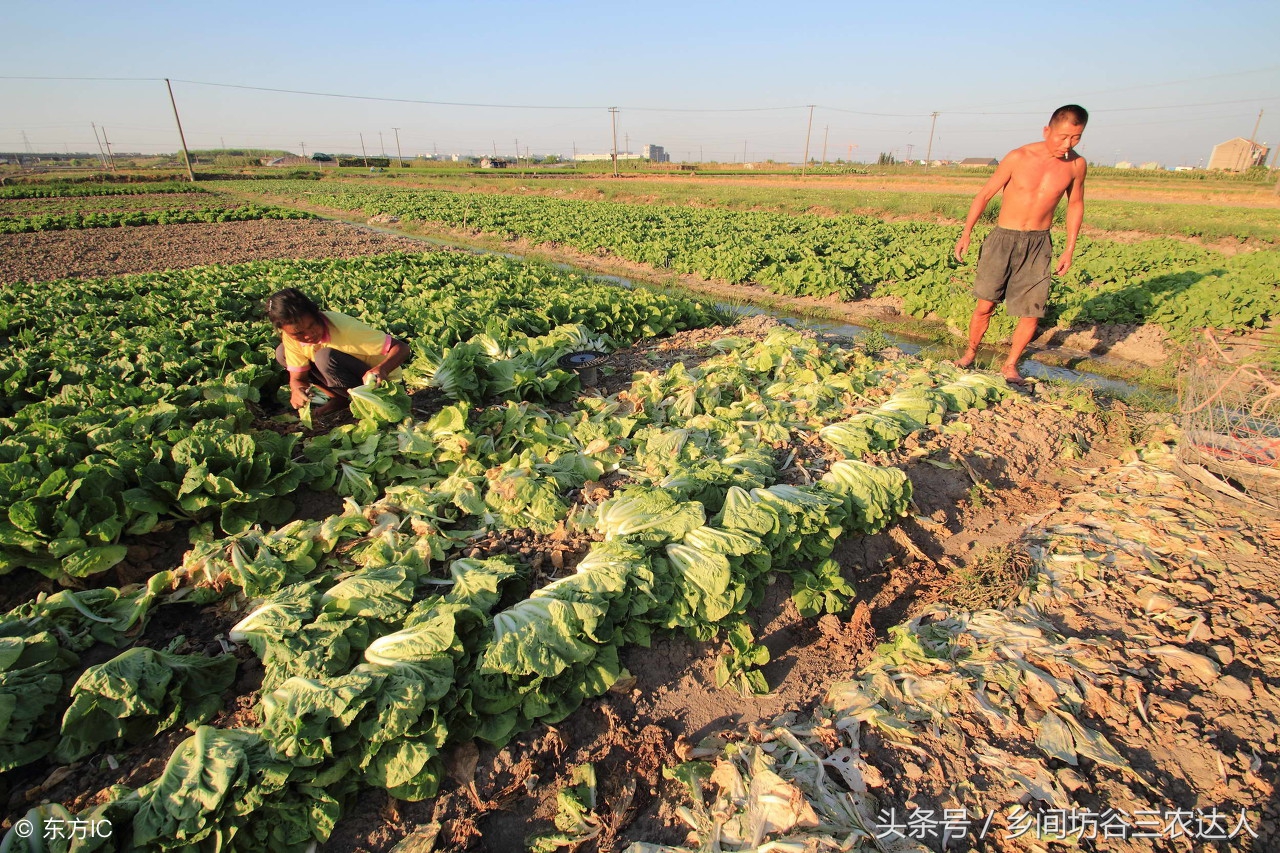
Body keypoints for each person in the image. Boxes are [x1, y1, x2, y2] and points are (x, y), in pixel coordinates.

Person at [953, 104, 1089, 385]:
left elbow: (1075, 204)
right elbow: (985, 194)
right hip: (1004, 238)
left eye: (1075, 138)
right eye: (1062, 137)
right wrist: (966, 233)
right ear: (1047, 130)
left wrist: (1070, 249)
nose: (1067, 144)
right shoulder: (1018, 157)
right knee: (985, 305)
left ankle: (1011, 365)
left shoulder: (1076, 165)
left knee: (1031, 312)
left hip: (1038, 244)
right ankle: (969, 354)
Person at [265, 288, 411, 417]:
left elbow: (402, 348)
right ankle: (341, 399)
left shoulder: (345, 328)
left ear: (317, 313)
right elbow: (298, 378)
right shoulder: (290, 338)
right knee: (282, 352)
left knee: (325, 357)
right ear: (284, 330)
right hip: (346, 380)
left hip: (382, 382)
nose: (309, 335)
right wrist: (296, 388)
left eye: (312, 325)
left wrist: (382, 369)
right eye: (298, 334)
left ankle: (368, 402)